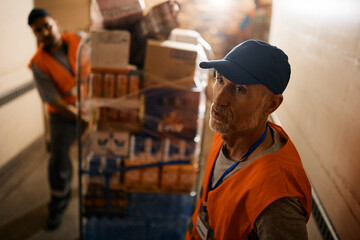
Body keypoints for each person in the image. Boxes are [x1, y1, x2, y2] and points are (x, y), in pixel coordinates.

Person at [185, 40, 312, 240]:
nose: (218, 99)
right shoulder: (228, 133)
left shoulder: (276, 197)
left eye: (239, 89)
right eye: (220, 79)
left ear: (271, 104)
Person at [27, 8, 88, 230]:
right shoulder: (38, 63)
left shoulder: (78, 39)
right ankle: (58, 203)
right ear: (35, 34)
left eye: (47, 25)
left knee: (98, 153)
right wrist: (79, 116)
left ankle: (97, 196)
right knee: (59, 161)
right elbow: (54, 101)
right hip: (63, 116)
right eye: (38, 30)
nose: (44, 31)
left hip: (90, 107)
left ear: (56, 23)